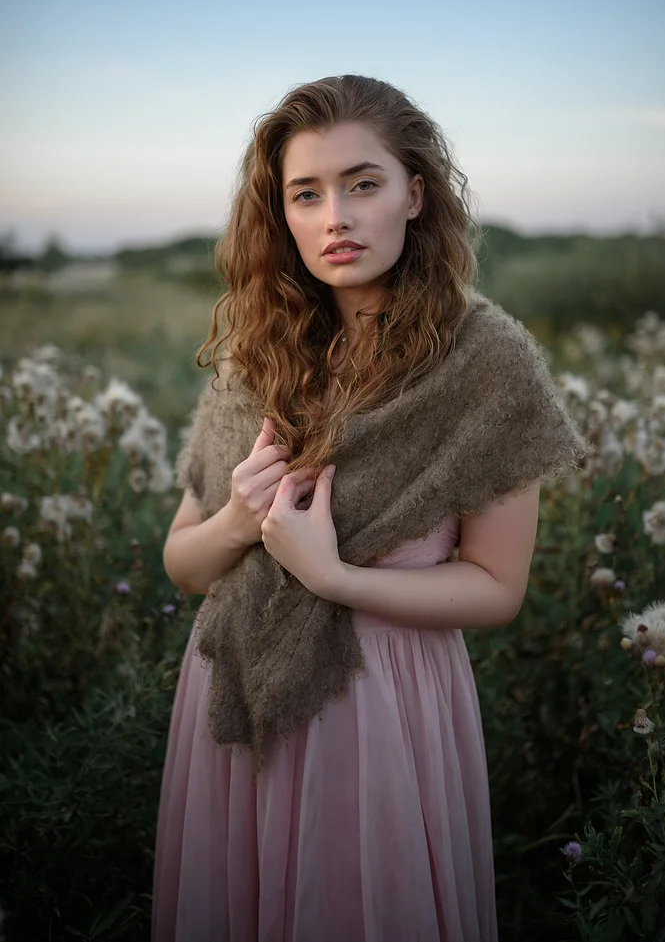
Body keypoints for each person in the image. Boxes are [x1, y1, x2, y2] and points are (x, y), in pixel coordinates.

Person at [152, 75, 542, 941]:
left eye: (363, 183)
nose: (337, 215)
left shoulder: (488, 364)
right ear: (280, 214)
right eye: (307, 193)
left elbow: (496, 586)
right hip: (231, 700)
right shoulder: (257, 352)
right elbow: (183, 560)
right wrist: (236, 524)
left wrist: (331, 574)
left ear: (416, 194)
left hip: (382, 707)